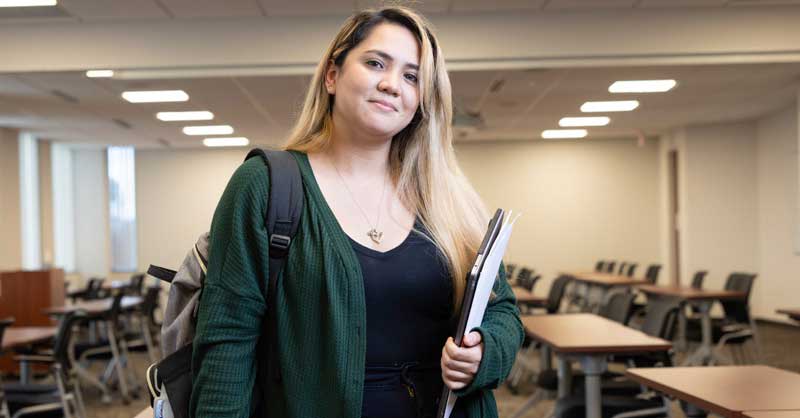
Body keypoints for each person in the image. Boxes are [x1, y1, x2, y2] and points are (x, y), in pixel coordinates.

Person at [190, 6, 523, 418]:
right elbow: (226, 341)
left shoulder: (447, 199)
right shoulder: (266, 185)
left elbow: (502, 311)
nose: (391, 84)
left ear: (421, 100)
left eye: (411, 76)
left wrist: (483, 354)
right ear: (332, 75)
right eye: (375, 63)